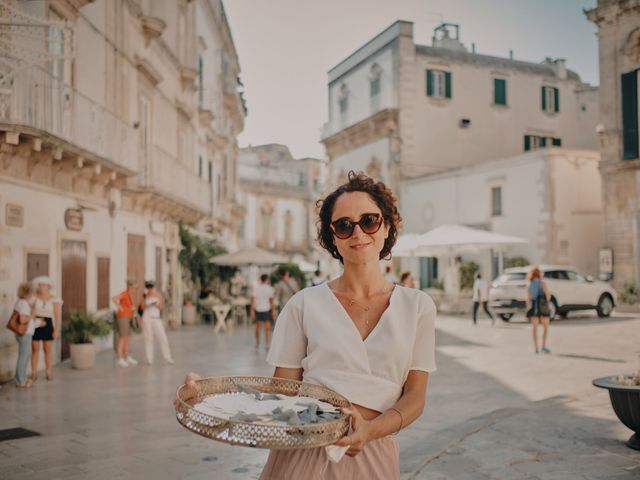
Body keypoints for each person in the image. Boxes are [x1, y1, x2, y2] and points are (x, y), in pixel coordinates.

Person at [180, 171, 436, 479]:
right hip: (303, 456)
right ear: (332, 238)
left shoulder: (418, 306)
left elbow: (415, 398)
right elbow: (281, 394)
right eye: (344, 226)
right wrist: (208, 398)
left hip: (375, 454)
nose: (358, 233)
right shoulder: (304, 304)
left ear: (387, 227)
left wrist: (369, 431)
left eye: (369, 220)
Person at [31, 276, 62, 381]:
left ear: (48, 286)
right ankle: (34, 372)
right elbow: (32, 311)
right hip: (36, 323)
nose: (42, 287)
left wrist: (56, 330)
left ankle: (49, 371)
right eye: (40, 285)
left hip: (48, 324)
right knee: (35, 349)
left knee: (47, 349)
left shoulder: (54, 299)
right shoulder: (34, 297)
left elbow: (57, 315)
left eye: (44, 285)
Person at [13, 282, 43, 388]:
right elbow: (22, 319)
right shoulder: (24, 303)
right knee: (24, 356)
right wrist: (32, 315)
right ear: (28, 292)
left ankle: (21, 378)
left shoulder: (21, 302)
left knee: (24, 355)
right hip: (25, 333)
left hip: (24, 333)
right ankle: (20, 381)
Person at [140, 281, 174, 365]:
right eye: (148, 287)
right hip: (146, 318)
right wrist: (147, 304)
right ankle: (149, 358)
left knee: (162, 337)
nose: (150, 289)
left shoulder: (158, 295)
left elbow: (161, 306)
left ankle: (167, 357)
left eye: (151, 287)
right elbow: (141, 307)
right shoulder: (145, 295)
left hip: (156, 318)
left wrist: (156, 305)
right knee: (148, 338)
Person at [112, 279, 138, 367]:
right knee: (122, 338)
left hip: (128, 317)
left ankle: (126, 357)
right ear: (130, 287)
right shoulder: (125, 293)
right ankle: (119, 358)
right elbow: (114, 298)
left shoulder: (130, 296)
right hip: (123, 317)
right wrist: (120, 307)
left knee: (127, 338)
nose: (135, 290)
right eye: (135, 288)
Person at [527, 266, 551, 354]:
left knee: (534, 328)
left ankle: (536, 348)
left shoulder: (529, 284)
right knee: (545, 327)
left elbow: (528, 299)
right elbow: (548, 296)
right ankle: (543, 346)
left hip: (534, 307)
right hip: (542, 307)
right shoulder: (542, 283)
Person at [250, 274, 276, 348]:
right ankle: (267, 343)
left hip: (258, 309)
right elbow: (271, 301)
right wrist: (273, 311)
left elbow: (253, 299)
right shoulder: (270, 288)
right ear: (267, 279)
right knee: (267, 328)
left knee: (258, 327)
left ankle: (257, 342)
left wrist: (251, 310)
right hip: (267, 309)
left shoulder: (256, 288)